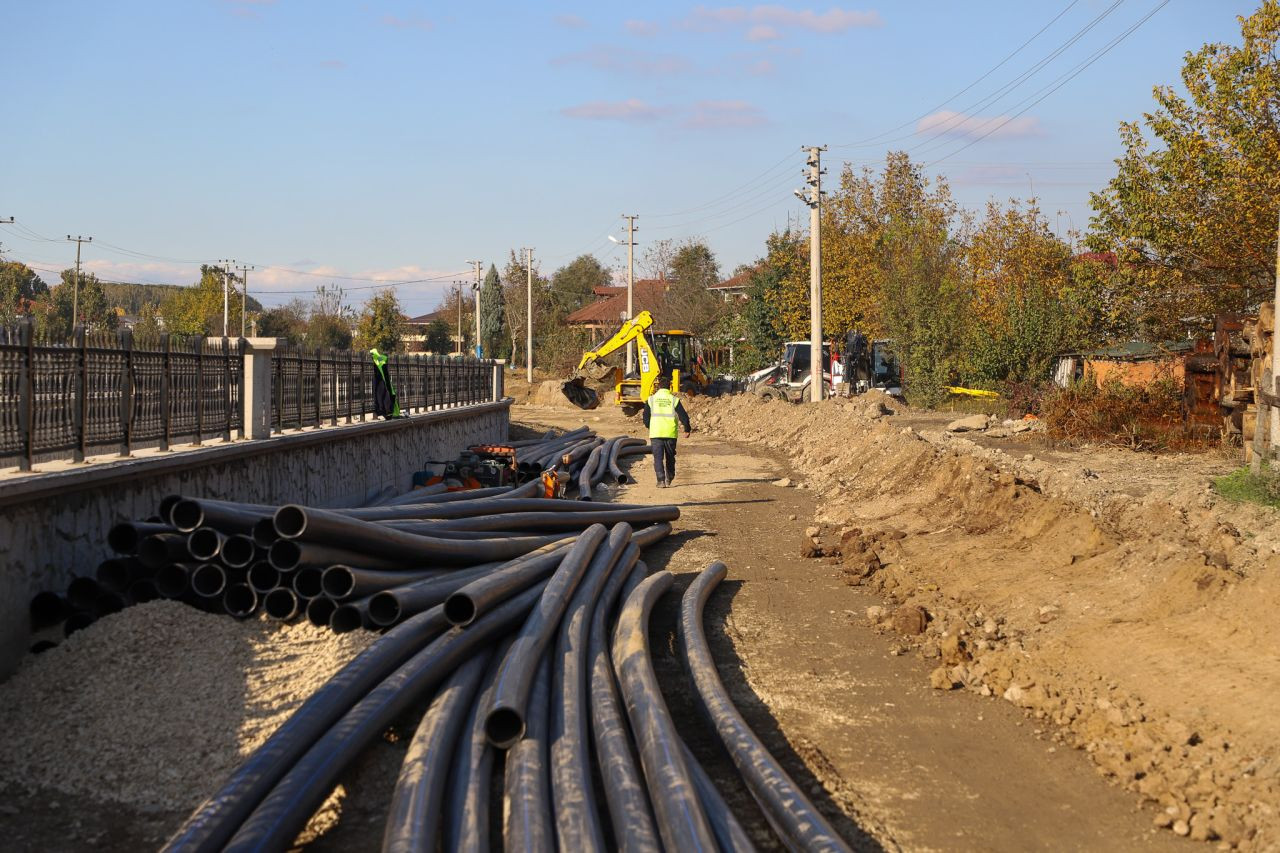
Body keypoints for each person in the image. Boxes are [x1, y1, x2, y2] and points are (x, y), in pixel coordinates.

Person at [642, 374, 691, 488]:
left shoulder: (651, 400)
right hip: (670, 433)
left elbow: (645, 418)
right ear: (669, 387)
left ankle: (661, 481)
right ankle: (670, 477)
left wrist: (650, 426)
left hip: (656, 433)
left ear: (658, 387)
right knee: (670, 457)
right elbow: (683, 415)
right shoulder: (674, 400)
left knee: (658, 458)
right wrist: (687, 429)